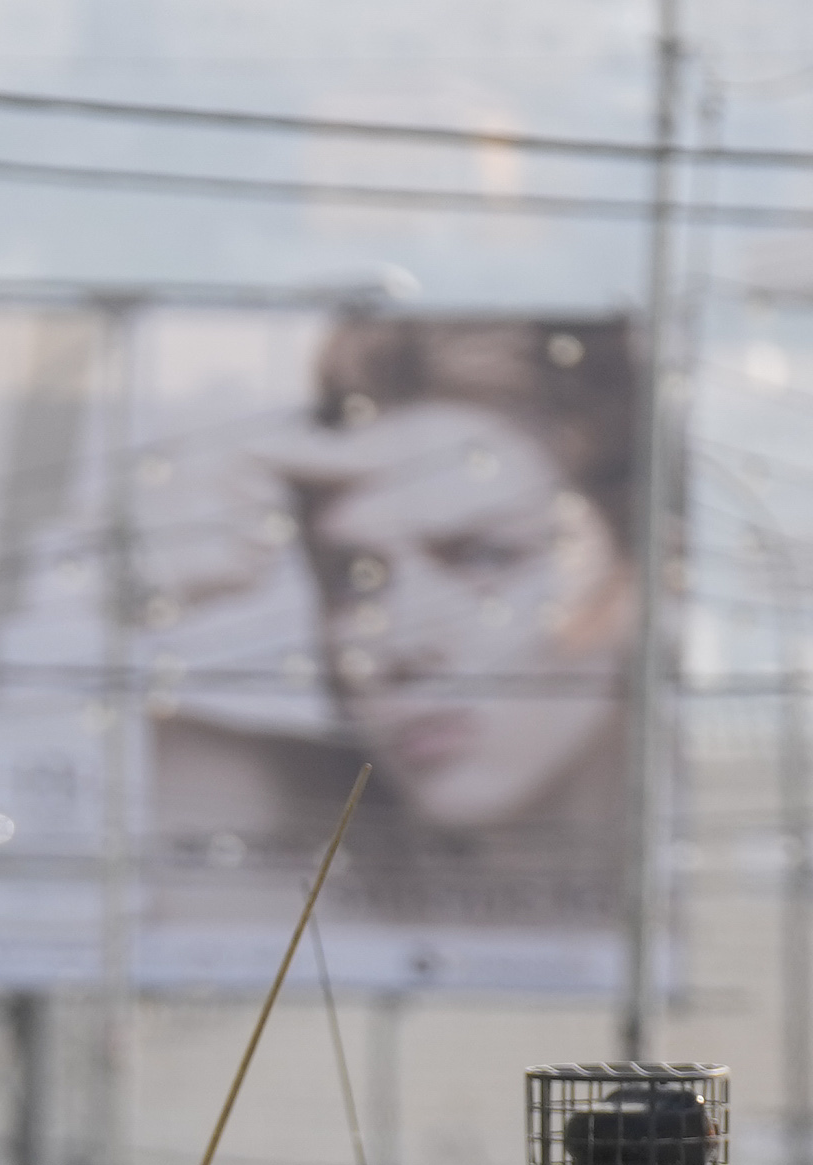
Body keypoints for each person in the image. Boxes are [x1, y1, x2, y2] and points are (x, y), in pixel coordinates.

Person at [144, 312, 642, 934]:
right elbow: (18, 795)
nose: (402, 643)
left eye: (486, 556)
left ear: (643, 570)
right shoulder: (236, 808)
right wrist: (111, 599)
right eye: (356, 577)